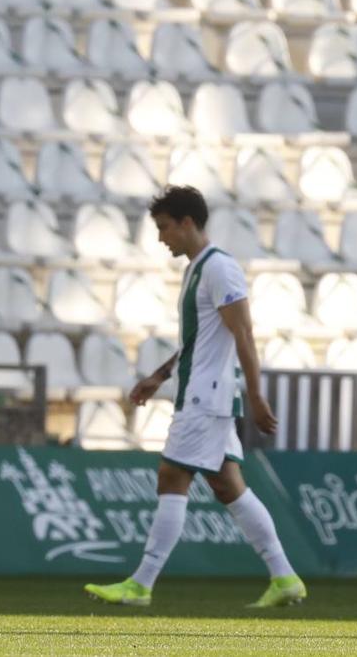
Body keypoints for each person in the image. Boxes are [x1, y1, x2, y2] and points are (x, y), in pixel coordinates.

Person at [84, 185, 305, 608]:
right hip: (204, 393)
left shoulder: (220, 268)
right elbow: (200, 337)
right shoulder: (197, 268)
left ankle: (141, 583)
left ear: (187, 223)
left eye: (165, 227)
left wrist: (257, 396)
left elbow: (243, 332)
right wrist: (160, 374)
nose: (161, 237)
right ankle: (285, 577)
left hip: (207, 397)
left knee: (172, 475)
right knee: (227, 485)